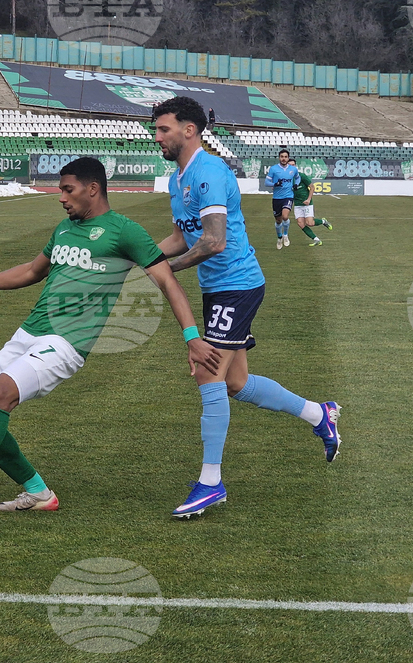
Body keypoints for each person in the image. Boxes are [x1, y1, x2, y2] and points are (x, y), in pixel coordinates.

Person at [0, 156, 220, 524]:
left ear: (92, 189)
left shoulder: (125, 231)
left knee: (1, 394)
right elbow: (32, 271)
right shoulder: (64, 229)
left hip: (67, 342)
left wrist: (192, 337)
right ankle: (38, 492)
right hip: (29, 331)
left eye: (68, 189)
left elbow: (168, 283)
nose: (61, 197)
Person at [152, 96, 341, 520]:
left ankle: (211, 482)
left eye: (164, 129)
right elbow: (184, 236)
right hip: (218, 289)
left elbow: (214, 240)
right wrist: (145, 258)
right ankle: (319, 414)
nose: (157, 136)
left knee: (207, 371)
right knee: (235, 382)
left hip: (237, 284)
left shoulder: (210, 173)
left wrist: (169, 271)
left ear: (189, 130)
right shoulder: (177, 178)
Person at [288, 158, 332, 246]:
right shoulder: (287, 178)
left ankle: (323, 221)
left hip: (306, 203)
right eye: (290, 165)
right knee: (301, 223)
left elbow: (312, 187)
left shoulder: (301, 176)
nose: (292, 167)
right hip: (297, 204)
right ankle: (316, 240)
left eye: (293, 165)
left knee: (310, 223)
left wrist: (308, 199)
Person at [264, 149, 298, 249]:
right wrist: (275, 184)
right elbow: (266, 182)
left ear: (288, 158)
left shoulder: (293, 169)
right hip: (276, 198)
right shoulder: (274, 169)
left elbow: (298, 177)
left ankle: (285, 235)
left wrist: (296, 184)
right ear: (279, 158)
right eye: (282, 157)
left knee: (285, 216)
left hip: (288, 196)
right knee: (278, 221)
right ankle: (279, 238)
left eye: (285, 157)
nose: (284, 159)